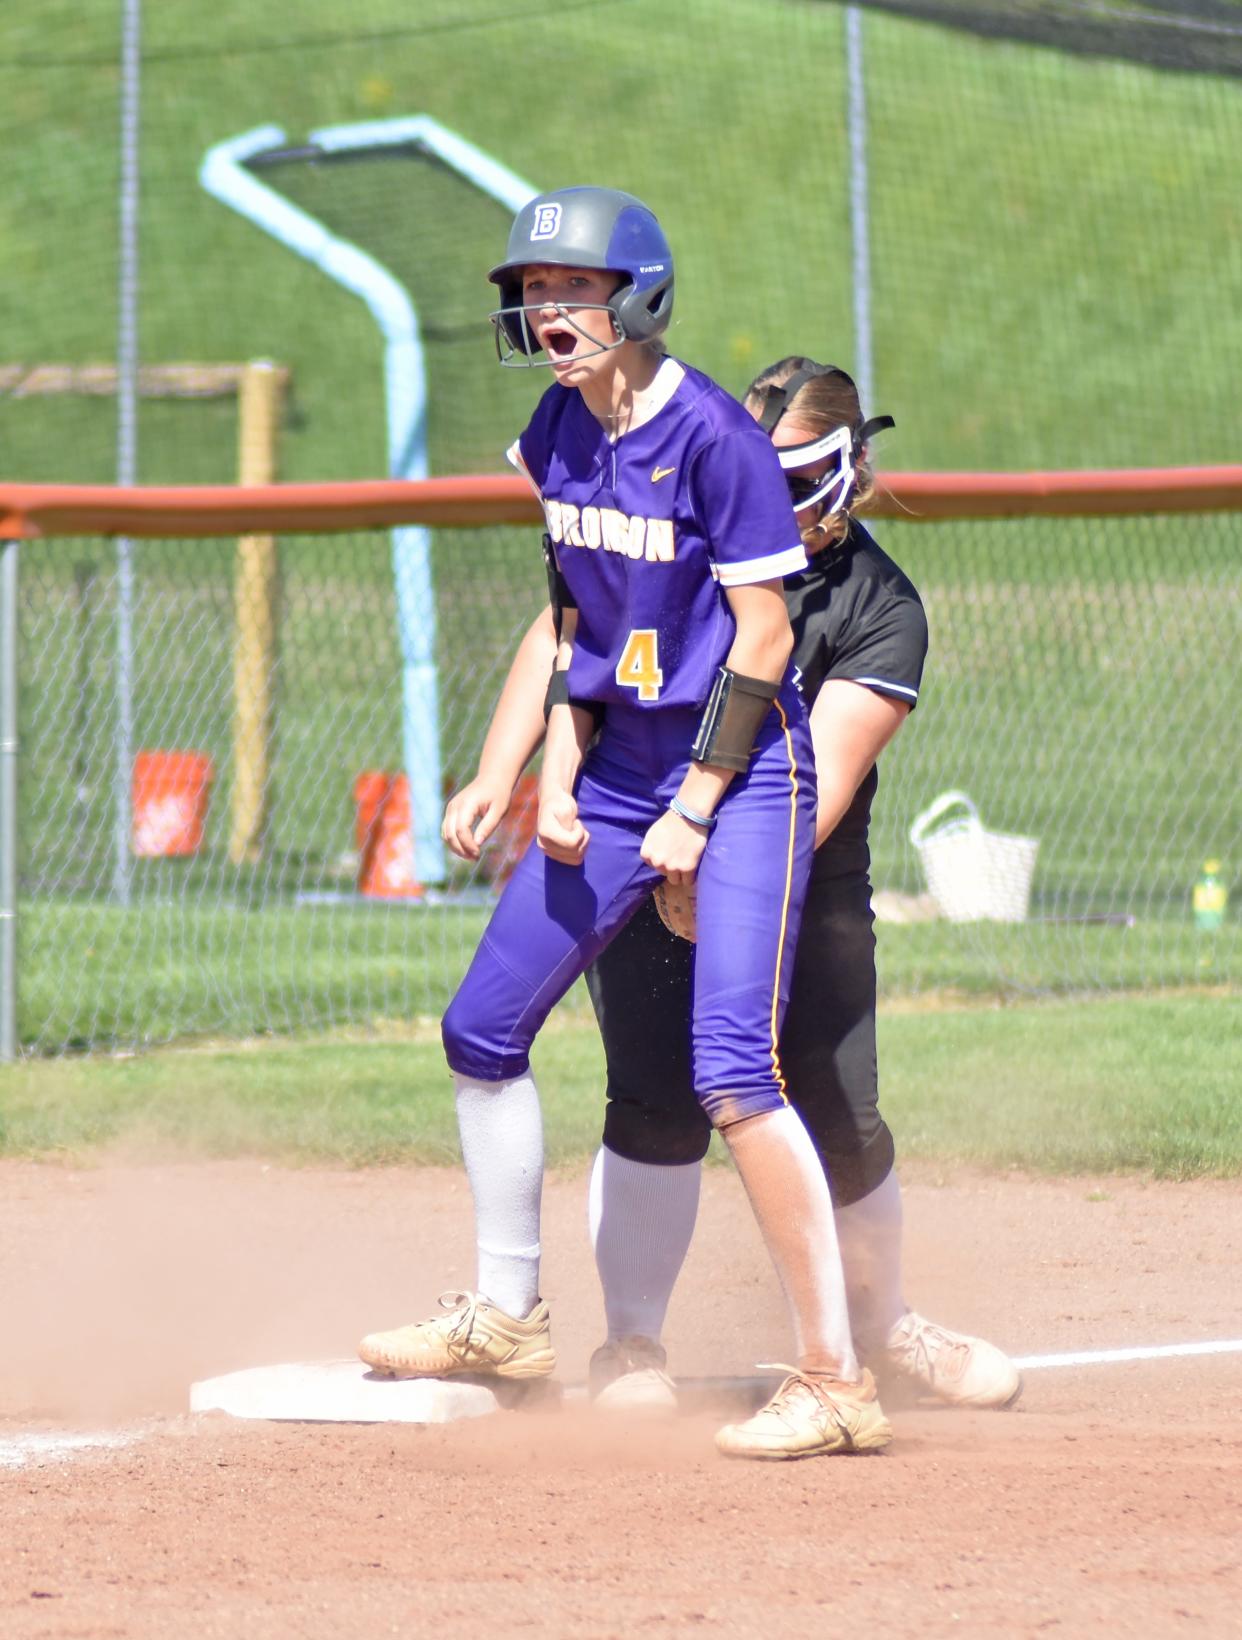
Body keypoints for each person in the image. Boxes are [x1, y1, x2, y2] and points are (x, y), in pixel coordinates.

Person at [358, 188, 891, 1461]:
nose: (546, 310)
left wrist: (696, 811)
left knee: (730, 1070)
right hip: (613, 774)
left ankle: (835, 1379)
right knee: (481, 1024)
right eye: (533, 290)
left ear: (637, 296)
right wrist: (523, 772)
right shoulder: (557, 427)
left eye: (571, 288)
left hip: (742, 771)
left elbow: (763, 638)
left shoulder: (715, 437)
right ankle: (508, 1314)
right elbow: (579, 627)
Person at [433, 354, 1022, 1425]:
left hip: (793, 861)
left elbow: (825, 776)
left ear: (850, 472)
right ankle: (633, 1341)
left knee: (838, 1105)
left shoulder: (879, 604)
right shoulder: (692, 531)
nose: (778, 506)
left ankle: (878, 1325)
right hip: (643, 830)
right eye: (763, 480)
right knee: (655, 1095)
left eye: (802, 482)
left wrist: (711, 865)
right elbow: (571, 632)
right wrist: (515, 769)